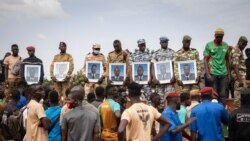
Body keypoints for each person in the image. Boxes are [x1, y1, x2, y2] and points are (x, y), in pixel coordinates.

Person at [204, 28, 230, 105]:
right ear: (215, 36)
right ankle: (215, 111)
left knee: (223, 94)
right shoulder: (209, 45)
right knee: (214, 94)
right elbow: (205, 59)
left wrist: (228, 74)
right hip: (213, 73)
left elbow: (227, 59)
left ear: (223, 37)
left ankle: (222, 111)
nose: (219, 38)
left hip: (223, 73)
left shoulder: (225, 45)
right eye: (217, 37)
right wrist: (208, 74)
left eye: (221, 37)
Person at [151, 36, 176, 104]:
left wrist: (173, 76)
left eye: (166, 42)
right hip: (159, 81)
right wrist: (154, 77)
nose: (165, 43)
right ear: (160, 43)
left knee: (171, 97)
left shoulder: (172, 52)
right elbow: (153, 66)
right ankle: (160, 113)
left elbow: (174, 65)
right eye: (163, 42)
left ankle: (170, 113)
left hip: (170, 80)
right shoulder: (156, 53)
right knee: (160, 99)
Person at [230, 36, 248, 108]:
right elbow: (235, 65)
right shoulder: (237, 50)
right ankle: (237, 112)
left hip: (240, 75)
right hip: (239, 76)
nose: (244, 46)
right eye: (243, 44)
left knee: (242, 95)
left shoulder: (239, 50)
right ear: (240, 42)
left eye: (245, 45)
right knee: (238, 96)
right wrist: (240, 79)